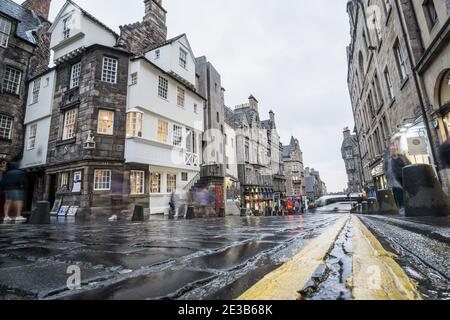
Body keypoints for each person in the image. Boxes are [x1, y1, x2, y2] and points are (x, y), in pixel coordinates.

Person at [383, 142, 411, 214]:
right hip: (395, 180)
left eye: (395, 148)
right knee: (398, 193)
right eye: (392, 149)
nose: (394, 150)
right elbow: (385, 170)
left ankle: (408, 206)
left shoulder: (402, 157)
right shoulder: (387, 160)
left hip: (405, 178)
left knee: (407, 193)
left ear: (397, 149)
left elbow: (409, 165)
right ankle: (401, 208)